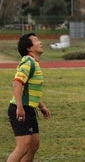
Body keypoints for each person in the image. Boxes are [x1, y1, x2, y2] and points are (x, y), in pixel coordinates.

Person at [7, 33, 51, 162]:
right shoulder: (28, 62)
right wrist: (20, 107)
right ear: (29, 48)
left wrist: (41, 106)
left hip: (30, 108)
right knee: (23, 146)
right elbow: (17, 83)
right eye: (36, 40)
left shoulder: (34, 63)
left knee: (33, 145)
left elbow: (29, 90)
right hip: (21, 108)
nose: (40, 42)